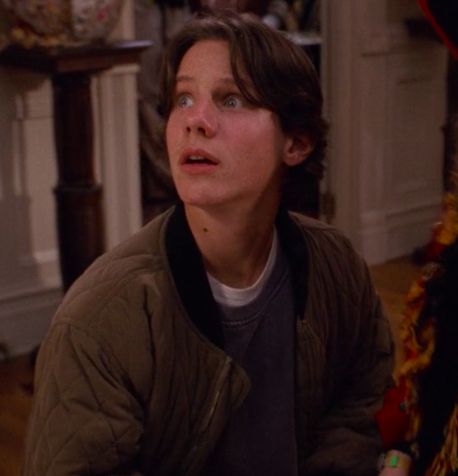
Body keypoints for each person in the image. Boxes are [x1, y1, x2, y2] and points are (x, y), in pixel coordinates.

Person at [22, 11, 394, 476]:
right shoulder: (99, 319)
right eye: (183, 98)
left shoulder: (336, 265)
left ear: (296, 143)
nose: (195, 122)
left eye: (231, 99)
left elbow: (361, 400)